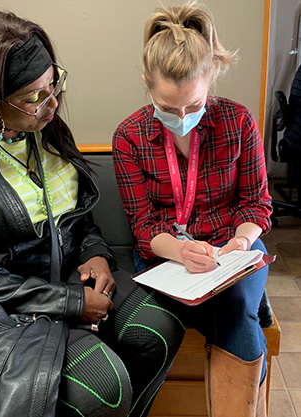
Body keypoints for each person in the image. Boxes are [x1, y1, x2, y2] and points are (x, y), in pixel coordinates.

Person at [0, 10, 185, 417]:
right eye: (33, 96)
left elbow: (78, 216)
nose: (52, 104)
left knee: (158, 327)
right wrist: (69, 302)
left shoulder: (45, 129)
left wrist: (95, 254)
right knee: (103, 387)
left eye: (53, 85)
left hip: (64, 278)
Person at [112, 2, 272, 416]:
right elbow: (144, 226)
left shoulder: (238, 123)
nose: (182, 118)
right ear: (147, 83)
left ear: (211, 78)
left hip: (230, 254)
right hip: (166, 256)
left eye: (193, 106)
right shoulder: (130, 136)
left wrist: (238, 242)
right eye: (167, 108)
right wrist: (182, 251)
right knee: (145, 332)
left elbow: (257, 204)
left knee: (237, 315)